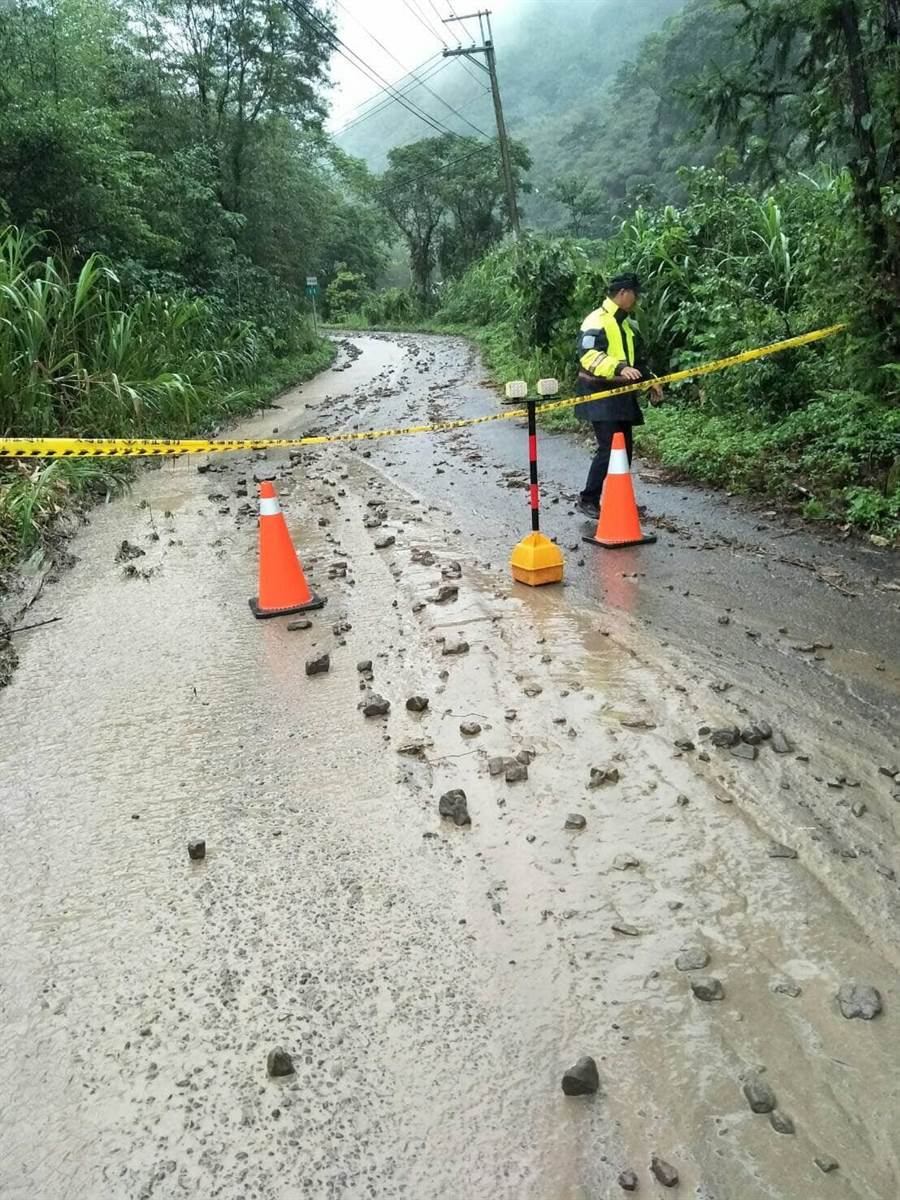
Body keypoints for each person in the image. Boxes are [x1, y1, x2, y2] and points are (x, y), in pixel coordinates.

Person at [573, 272, 662, 518]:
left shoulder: (625, 325)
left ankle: (619, 501)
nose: (637, 299)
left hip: (621, 396)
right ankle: (588, 499)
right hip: (600, 395)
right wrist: (620, 368)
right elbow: (589, 357)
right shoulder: (596, 320)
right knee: (608, 449)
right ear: (623, 293)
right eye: (635, 294)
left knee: (625, 451)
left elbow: (636, 363)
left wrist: (651, 382)